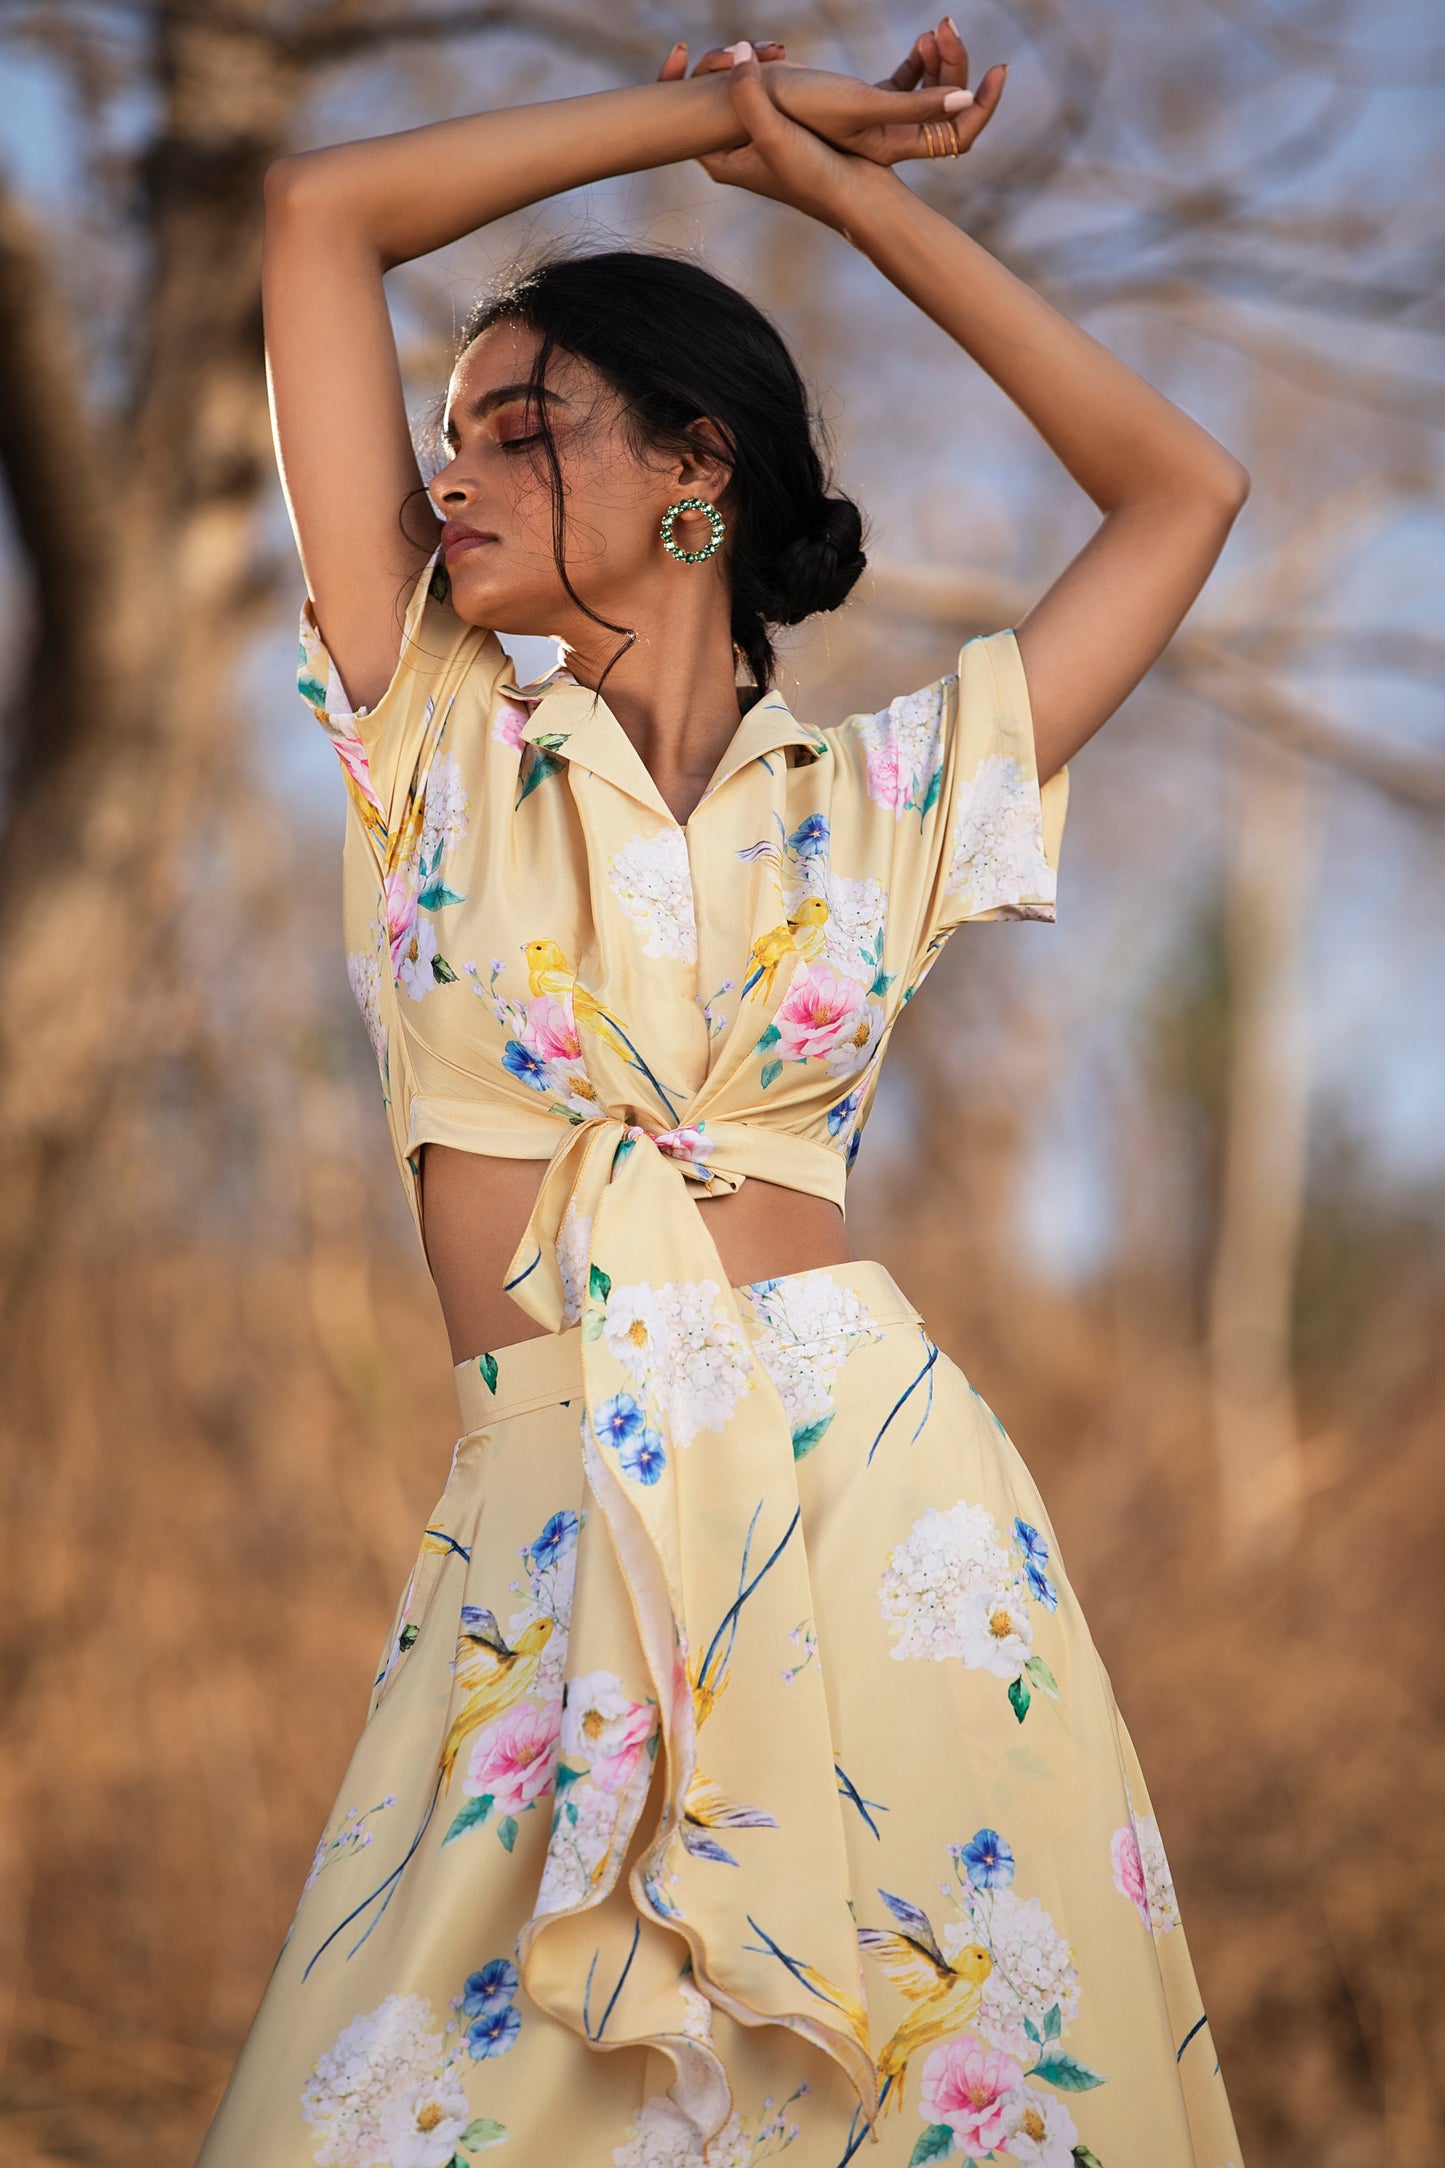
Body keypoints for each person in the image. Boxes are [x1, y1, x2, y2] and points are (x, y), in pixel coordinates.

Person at [198, 24, 1249, 2168]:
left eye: (520, 429)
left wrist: (838, 197)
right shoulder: (433, 734)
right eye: (446, 433)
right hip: (550, 1530)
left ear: (696, 470)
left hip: (889, 1526)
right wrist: (716, 111)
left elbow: (1183, 491)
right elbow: (318, 213)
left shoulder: (889, 797)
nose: (452, 475)